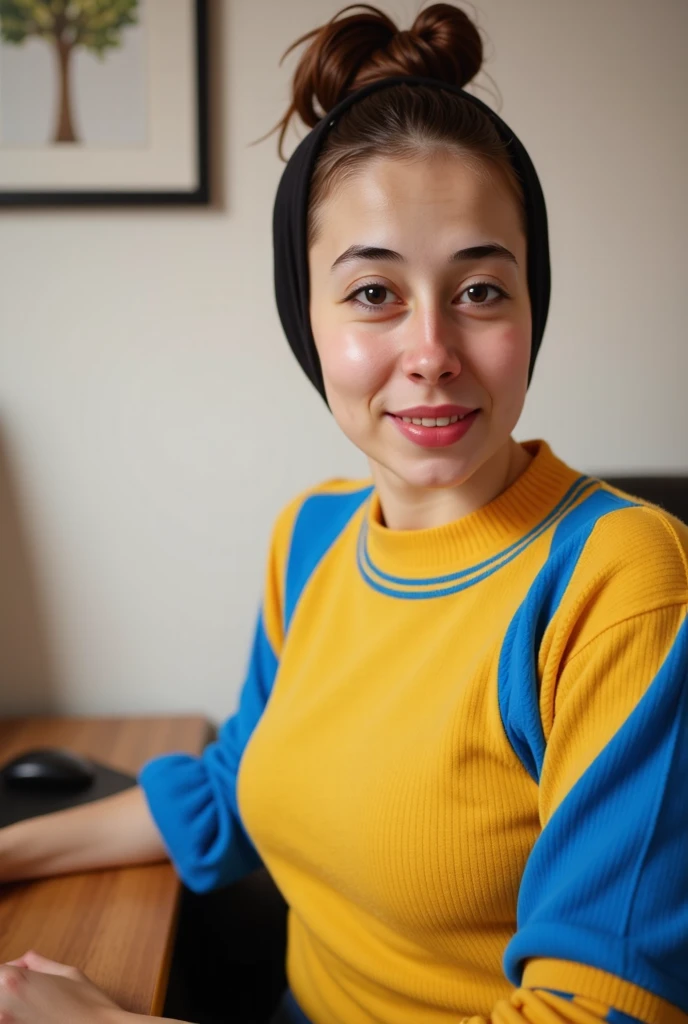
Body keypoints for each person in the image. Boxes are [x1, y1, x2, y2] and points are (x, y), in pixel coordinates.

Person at [1, 4, 687, 1024]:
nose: (432, 349)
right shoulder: (311, 535)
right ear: (305, 317)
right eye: (373, 292)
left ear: (531, 308)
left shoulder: (618, 579)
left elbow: (601, 1009)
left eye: (482, 290)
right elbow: (237, 786)